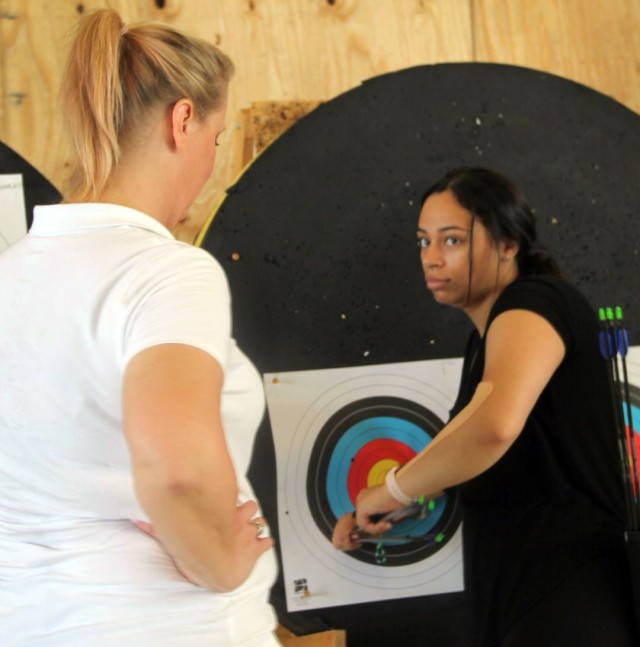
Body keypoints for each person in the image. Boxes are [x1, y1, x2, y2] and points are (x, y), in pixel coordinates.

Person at [0, 9, 280, 646]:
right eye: (216, 139)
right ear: (182, 121)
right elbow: (175, 468)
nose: (214, 162)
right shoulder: (168, 273)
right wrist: (221, 563)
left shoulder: (7, 276)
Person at [333, 167, 638, 646]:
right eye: (423, 242)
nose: (431, 259)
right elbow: (492, 463)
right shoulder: (486, 339)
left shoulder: (534, 302)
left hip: (570, 598)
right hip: (529, 597)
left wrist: (394, 489)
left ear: (508, 244)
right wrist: (398, 510)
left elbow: (493, 427)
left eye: (451, 241)